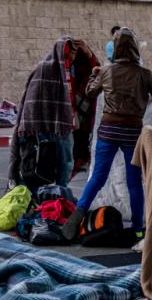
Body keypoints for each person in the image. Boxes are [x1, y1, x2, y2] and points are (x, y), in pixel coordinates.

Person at [62, 28, 152, 241]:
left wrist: (94, 75)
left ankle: (79, 213)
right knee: (134, 182)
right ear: (136, 48)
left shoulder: (107, 71)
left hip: (108, 130)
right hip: (132, 132)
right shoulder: (144, 74)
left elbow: (90, 93)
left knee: (98, 177)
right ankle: (137, 229)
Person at [8, 37, 99, 190]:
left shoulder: (73, 70)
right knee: (40, 164)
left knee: (66, 163)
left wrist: (88, 52)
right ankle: (38, 198)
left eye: (75, 52)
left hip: (64, 126)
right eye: (70, 52)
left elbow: (96, 73)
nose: (73, 56)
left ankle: (60, 194)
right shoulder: (44, 69)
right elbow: (31, 100)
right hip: (42, 127)